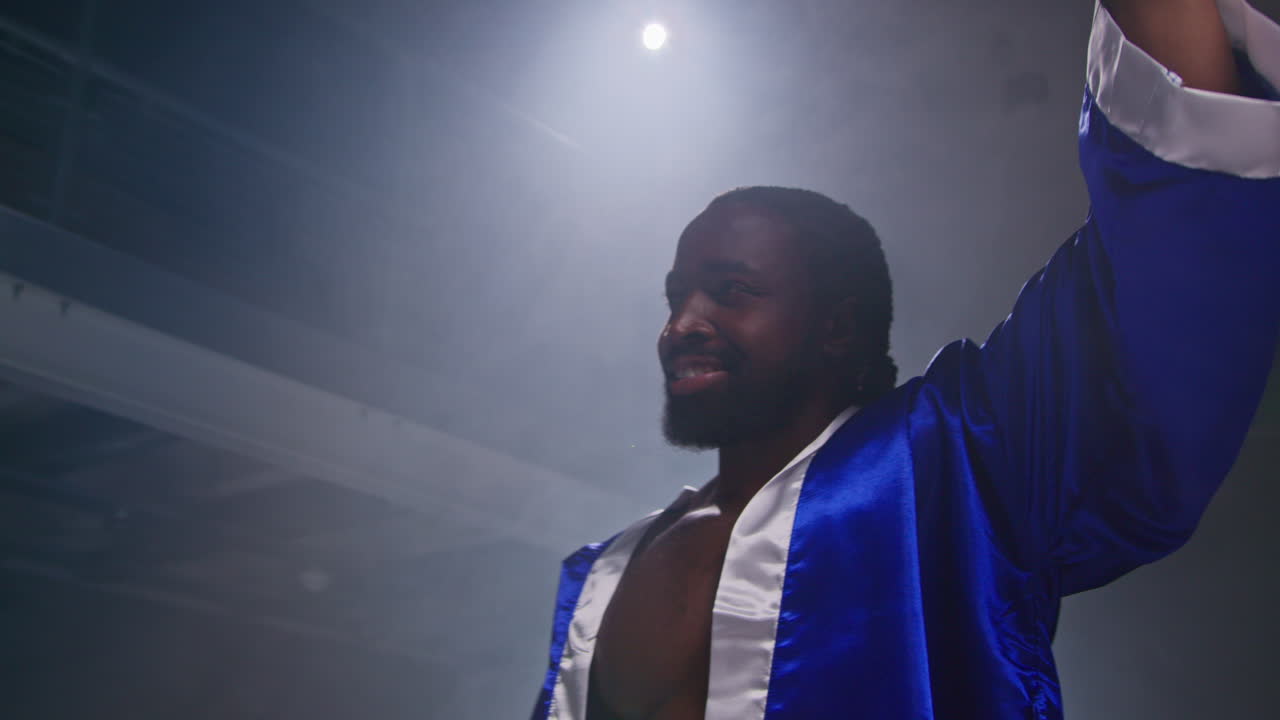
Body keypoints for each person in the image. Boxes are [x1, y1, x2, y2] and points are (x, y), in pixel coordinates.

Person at [531, 1, 1280, 718]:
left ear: (836, 326)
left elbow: (1175, 225)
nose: (683, 324)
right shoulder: (602, 574)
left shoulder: (951, 466)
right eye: (677, 296)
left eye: (732, 291)